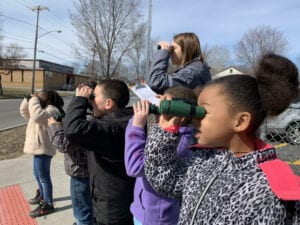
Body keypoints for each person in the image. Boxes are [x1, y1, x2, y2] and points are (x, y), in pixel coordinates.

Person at [144, 53, 300, 224]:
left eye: (203, 111)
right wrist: (165, 132)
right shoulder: (203, 160)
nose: (195, 118)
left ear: (240, 121)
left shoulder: (268, 190)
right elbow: (164, 180)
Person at [63, 79, 135, 225]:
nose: (91, 102)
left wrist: (80, 99)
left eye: (94, 97)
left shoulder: (112, 128)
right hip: (115, 199)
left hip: (112, 208)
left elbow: (73, 129)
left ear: (109, 103)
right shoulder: (126, 120)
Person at [125, 86, 197, 225]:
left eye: (165, 104)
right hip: (145, 211)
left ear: (180, 114)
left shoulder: (178, 142)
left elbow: (135, 167)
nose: (159, 106)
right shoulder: (170, 135)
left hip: (156, 218)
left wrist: (136, 126)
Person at [19, 89, 64, 218]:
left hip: (44, 149)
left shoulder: (52, 110)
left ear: (48, 98)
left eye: (40, 95)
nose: (38, 96)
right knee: (37, 174)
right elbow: (25, 113)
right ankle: (42, 195)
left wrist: (33, 100)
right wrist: (27, 100)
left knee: (44, 177)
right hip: (38, 148)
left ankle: (48, 203)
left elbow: (37, 116)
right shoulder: (42, 109)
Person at [47, 114, 94, 225]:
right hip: (92, 173)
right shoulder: (96, 118)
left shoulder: (83, 122)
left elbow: (62, 144)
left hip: (80, 174)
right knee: (90, 210)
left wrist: (54, 126)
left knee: (82, 215)